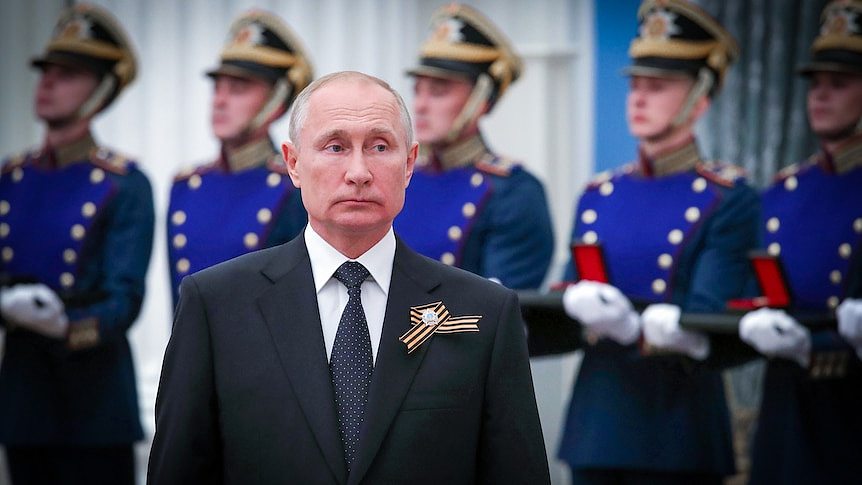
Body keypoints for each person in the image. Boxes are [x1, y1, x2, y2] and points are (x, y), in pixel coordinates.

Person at [147, 71, 550, 484]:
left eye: (379, 146)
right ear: (294, 163)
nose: (359, 171)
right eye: (335, 146)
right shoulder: (217, 305)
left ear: (409, 164)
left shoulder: (484, 312)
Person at [555, 1, 760, 483]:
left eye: (659, 87)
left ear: (700, 99)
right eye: (635, 85)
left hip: (676, 428)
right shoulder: (601, 193)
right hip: (598, 422)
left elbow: (710, 312)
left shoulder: (727, 197)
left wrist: (634, 328)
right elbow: (569, 293)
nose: (638, 99)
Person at [0, 4, 154, 484]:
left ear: (101, 89)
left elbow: (123, 300)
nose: (47, 83)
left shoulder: (124, 184)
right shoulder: (12, 177)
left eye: (67, 74)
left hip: (94, 405)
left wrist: (64, 326)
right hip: (25, 399)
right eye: (47, 71)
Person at [738, 1, 862, 482]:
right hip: (786, 408)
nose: (820, 96)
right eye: (815, 84)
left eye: (839, 83)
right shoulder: (785, 191)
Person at [393, 3, 553, 290]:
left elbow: (499, 312)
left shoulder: (513, 192)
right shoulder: (395, 178)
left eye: (439, 91)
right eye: (418, 90)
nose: (420, 105)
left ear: (480, 99)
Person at [167, 10, 312, 307]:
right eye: (218, 87)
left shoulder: (296, 187)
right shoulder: (186, 185)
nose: (219, 100)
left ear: (276, 99)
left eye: (238, 88)